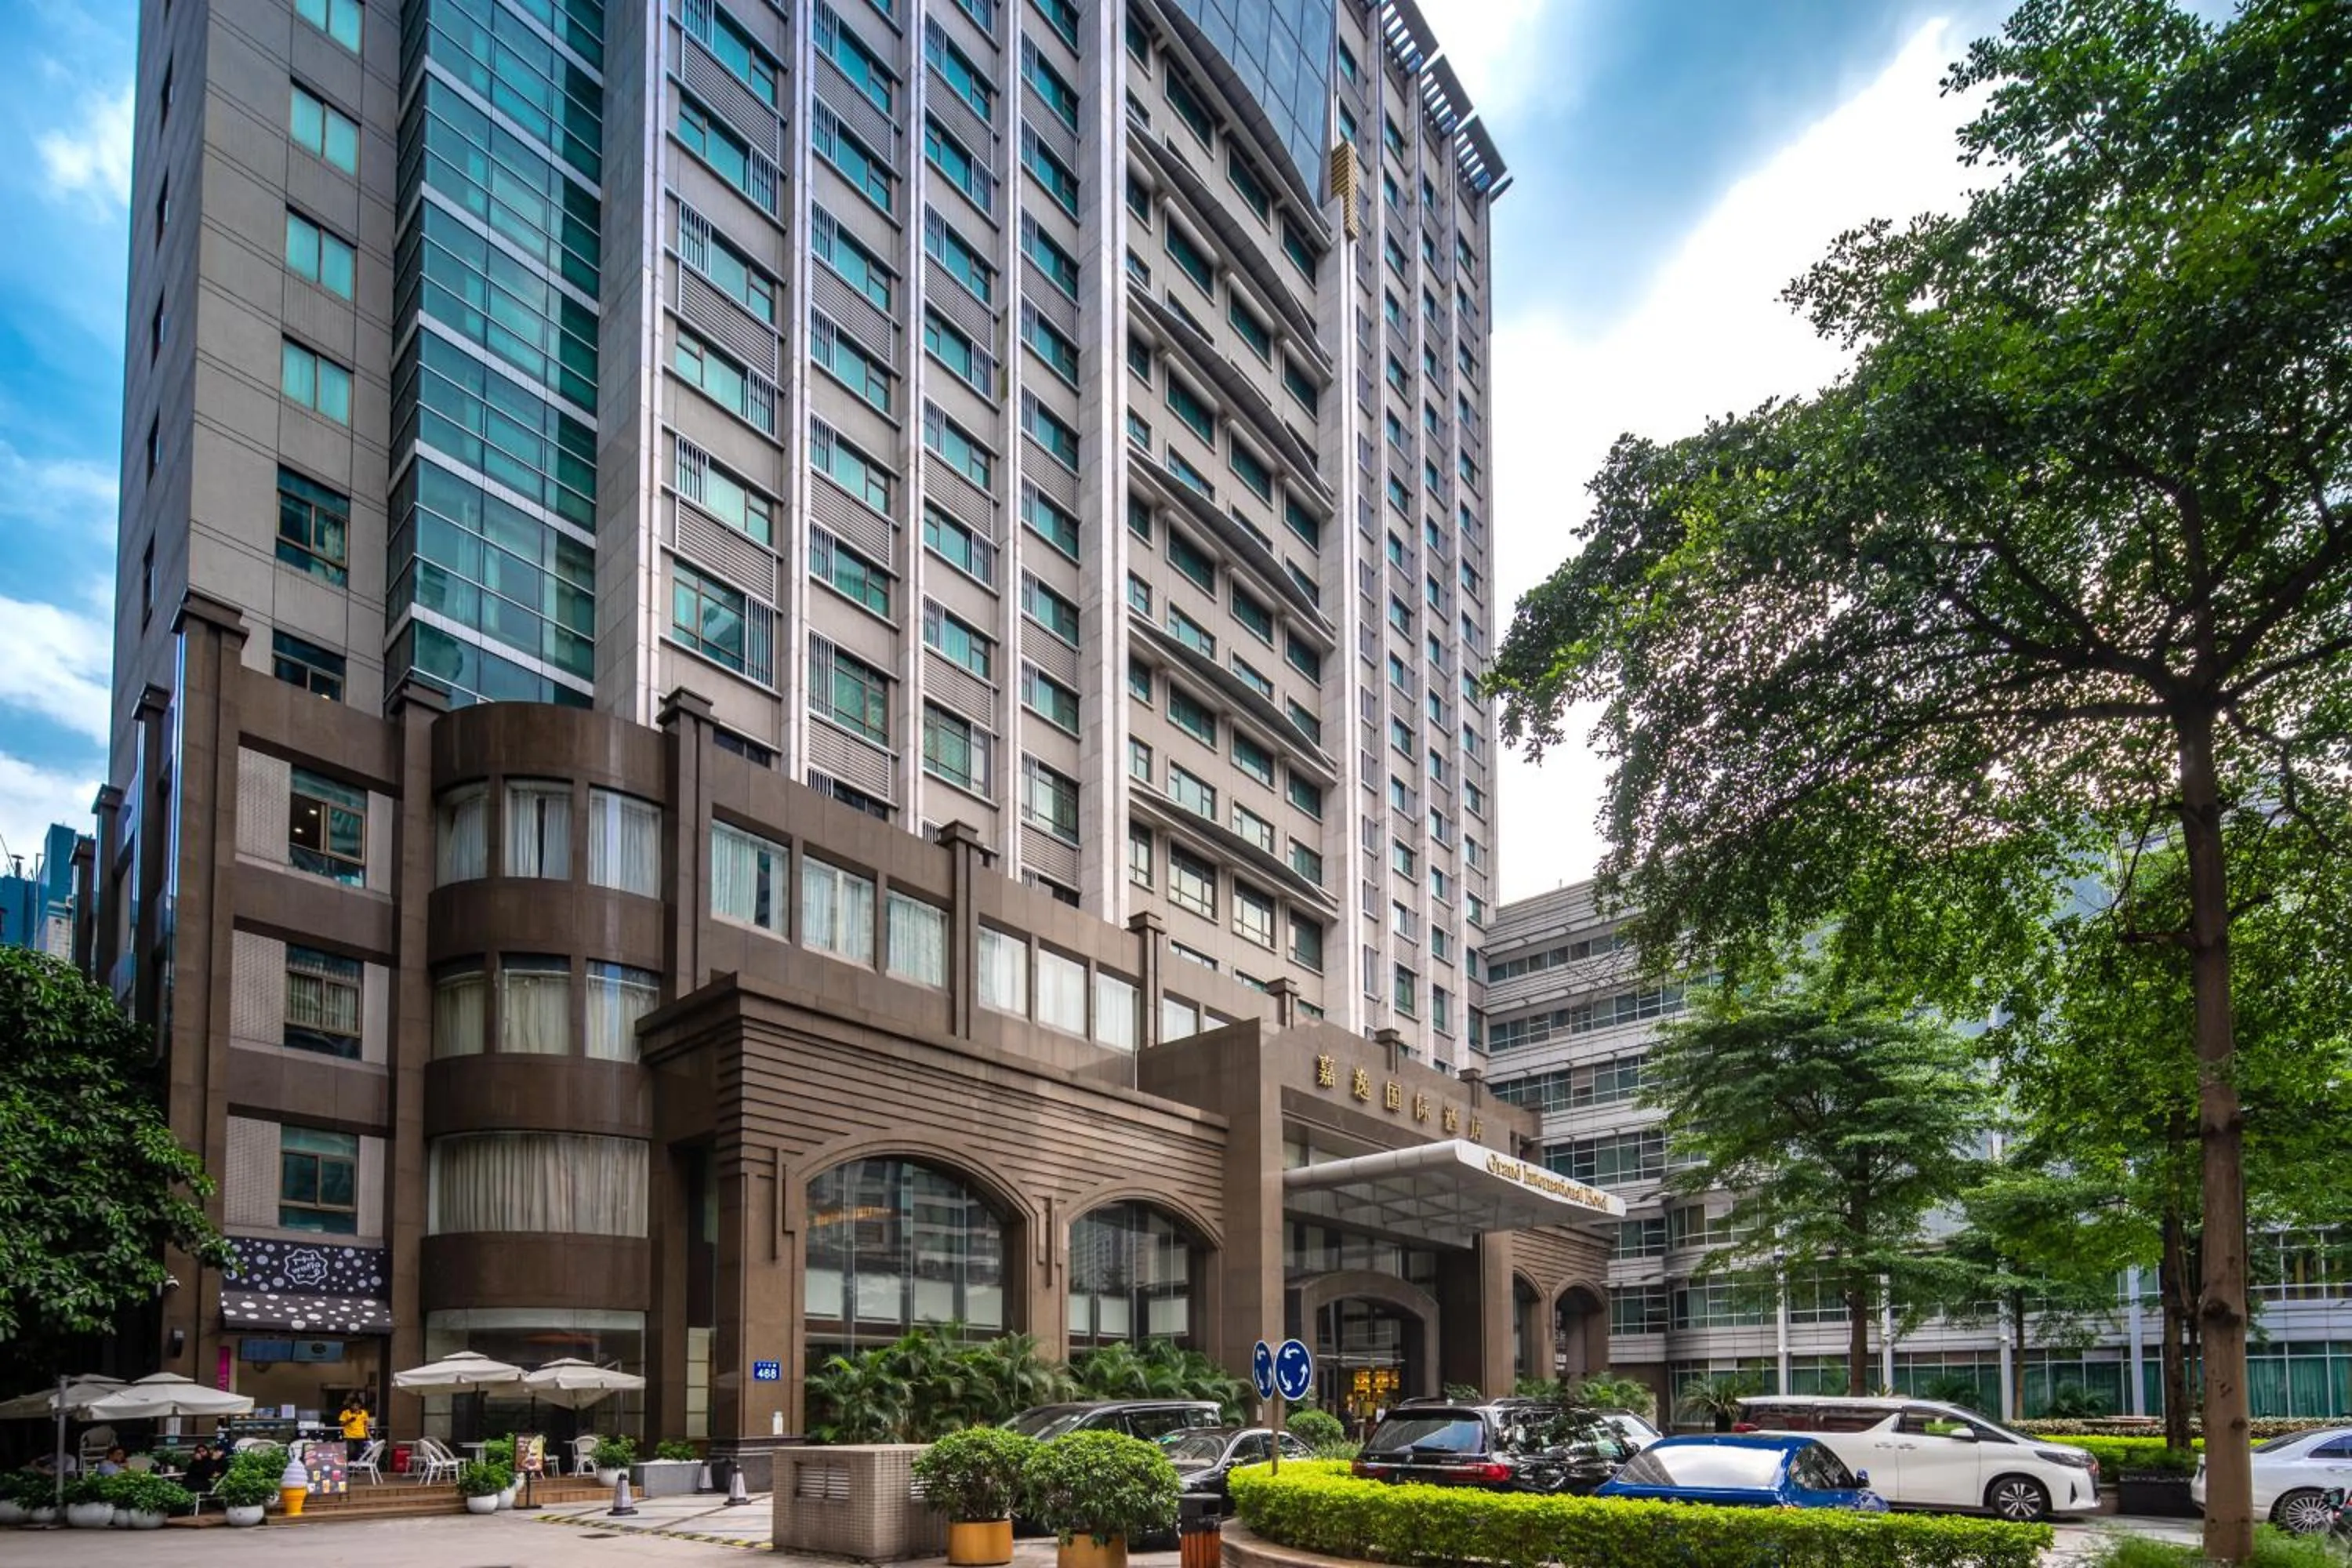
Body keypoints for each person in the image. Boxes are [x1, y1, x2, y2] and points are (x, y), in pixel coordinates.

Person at [339, 1393, 370, 1462]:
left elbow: (366, 1425)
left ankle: (354, 1467)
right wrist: (349, 1421)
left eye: (356, 1405)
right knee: (350, 1451)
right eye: (352, 1405)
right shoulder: (346, 1413)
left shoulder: (364, 1413)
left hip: (360, 1436)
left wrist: (368, 1435)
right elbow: (341, 1424)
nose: (354, 1407)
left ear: (359, 1406)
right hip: (349, 1436)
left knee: (358, 1454)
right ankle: (348, 1465)